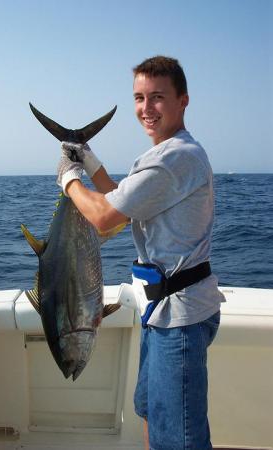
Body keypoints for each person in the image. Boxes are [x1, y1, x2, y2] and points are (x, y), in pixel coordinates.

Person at [56, 56, 225, 450]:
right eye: (139, 98)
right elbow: (123, 204)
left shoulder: (175, 158)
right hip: (163, 312)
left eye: (158, 98)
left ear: (183, 101)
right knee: (151, 411)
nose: (146, 109)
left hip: (178, 319)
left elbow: (103, 218)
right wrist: (90, 161)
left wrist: (68, 179)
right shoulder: (165, 155)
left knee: (179, 437)